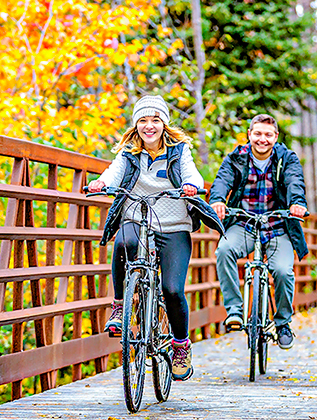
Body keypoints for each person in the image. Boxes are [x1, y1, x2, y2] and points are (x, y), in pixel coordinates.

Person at [87, 95, 224, 381]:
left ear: (164, 123)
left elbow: (191, 173)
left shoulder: (179, 149)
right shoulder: (128, 152)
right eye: (143, 120)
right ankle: (119, 307)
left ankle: (180, 346)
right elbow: (114, 172)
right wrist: (102, 183)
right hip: (136, 215)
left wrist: (191, 185)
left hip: (174, 223)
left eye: (155, 120)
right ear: (136, 124)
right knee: (124, 242)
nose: (149, 126)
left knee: (172, 289)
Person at [209, 114, 308, 350]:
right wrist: (218, 200)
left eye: (268, 135)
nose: (262, 139)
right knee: (223, 250)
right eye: (258, 134)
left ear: (275, 137)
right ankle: (234, 311)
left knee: (284, 271)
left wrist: (297, 203)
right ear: (249, 134)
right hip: (244, 224)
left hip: (277, 226)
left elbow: (295, 181)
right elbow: (222, 180)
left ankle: (283, 322)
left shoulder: (286, 158)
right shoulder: (236, 157)